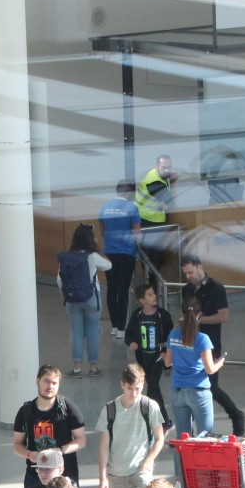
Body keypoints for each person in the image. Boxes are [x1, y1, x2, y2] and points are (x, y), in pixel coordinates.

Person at [181, 255, 245, 435]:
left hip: (210, 342)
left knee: (210, 386)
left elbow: (223, 315)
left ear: (200, 267)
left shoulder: (216, 288)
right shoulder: (187, 289)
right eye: (185, 273)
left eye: (190, 272)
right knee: (192, 387)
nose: (188, 276)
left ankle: (235, 415)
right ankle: (191, 430)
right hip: (191, 342)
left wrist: (200, 320)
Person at [12, 365, 89, 488]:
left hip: (66, 474)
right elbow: (17, 444)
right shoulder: (26, 411)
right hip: (35, 475)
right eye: (46, 381)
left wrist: (61, 450)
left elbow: (81, 440)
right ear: (37, 381)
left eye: (54, 383)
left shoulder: (68, 407)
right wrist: (29, 454)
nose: (50, 386)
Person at [58, 224, 112, 377]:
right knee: (93, 333)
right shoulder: (92, 256)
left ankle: (77, 368)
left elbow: (59, 279)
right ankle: (93, 367)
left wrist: (68, 295)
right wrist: (98, 249)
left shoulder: (66, 257)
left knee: (76, 333)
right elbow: (109, 265)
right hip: (91, 299)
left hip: (71, 300)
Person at [166, 299, 224, 435]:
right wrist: (219, 363)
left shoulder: (173, 334)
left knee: (182, 438)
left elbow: (167, 363)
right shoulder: (202, 339)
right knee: (205, 437)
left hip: (177, 390)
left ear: (181, 313)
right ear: (199, 315)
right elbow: (210, 369)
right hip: (199, 391)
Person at [124, 281, 174, 429]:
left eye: (154, 293)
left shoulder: (162, 315)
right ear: (142, 300)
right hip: (143, 358)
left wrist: (165, 351)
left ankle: (163, 420)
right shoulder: (137, 315)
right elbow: (129, 334)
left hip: (158, 357)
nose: (154, 297)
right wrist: (131, 342)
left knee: (152, 384)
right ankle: (155, 417)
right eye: (150, 295)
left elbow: (170, 335)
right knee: (153, 387)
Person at [97, 180, 139, 336]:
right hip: (126, 253)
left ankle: (114, 326)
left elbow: (102, 231)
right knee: (123, 291)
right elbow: (137, 234)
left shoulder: (105, 207)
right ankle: (122, 328)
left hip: (109, 252)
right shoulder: (132, 209)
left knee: (111, 289)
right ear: (130, 192)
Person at [135, 154, 177, 227]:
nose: (167, 170)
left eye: (169, 168)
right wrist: (173, 183)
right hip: (150, 221)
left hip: (144, 217)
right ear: (157, 167)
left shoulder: (154, 173)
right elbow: (171, 206)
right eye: (164, 168)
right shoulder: (155, 183)